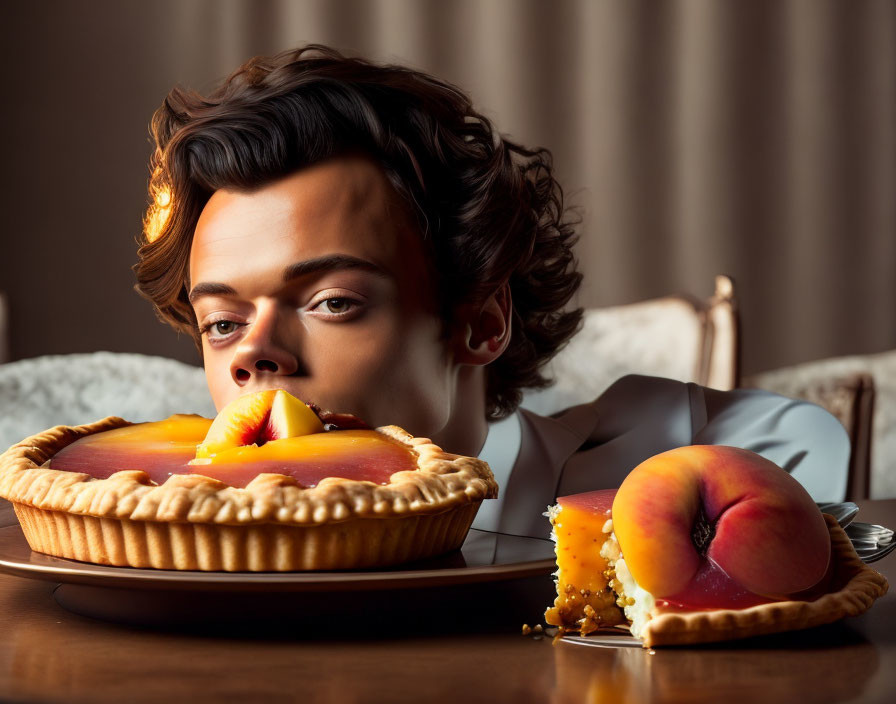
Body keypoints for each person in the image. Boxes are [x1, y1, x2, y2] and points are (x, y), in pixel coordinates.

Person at [134, 44, 849, 538]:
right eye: (222, 322)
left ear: (479, 322)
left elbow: (804, 443)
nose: (255, 355)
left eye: (332, 303)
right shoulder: (178, 531)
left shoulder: (617, 462)